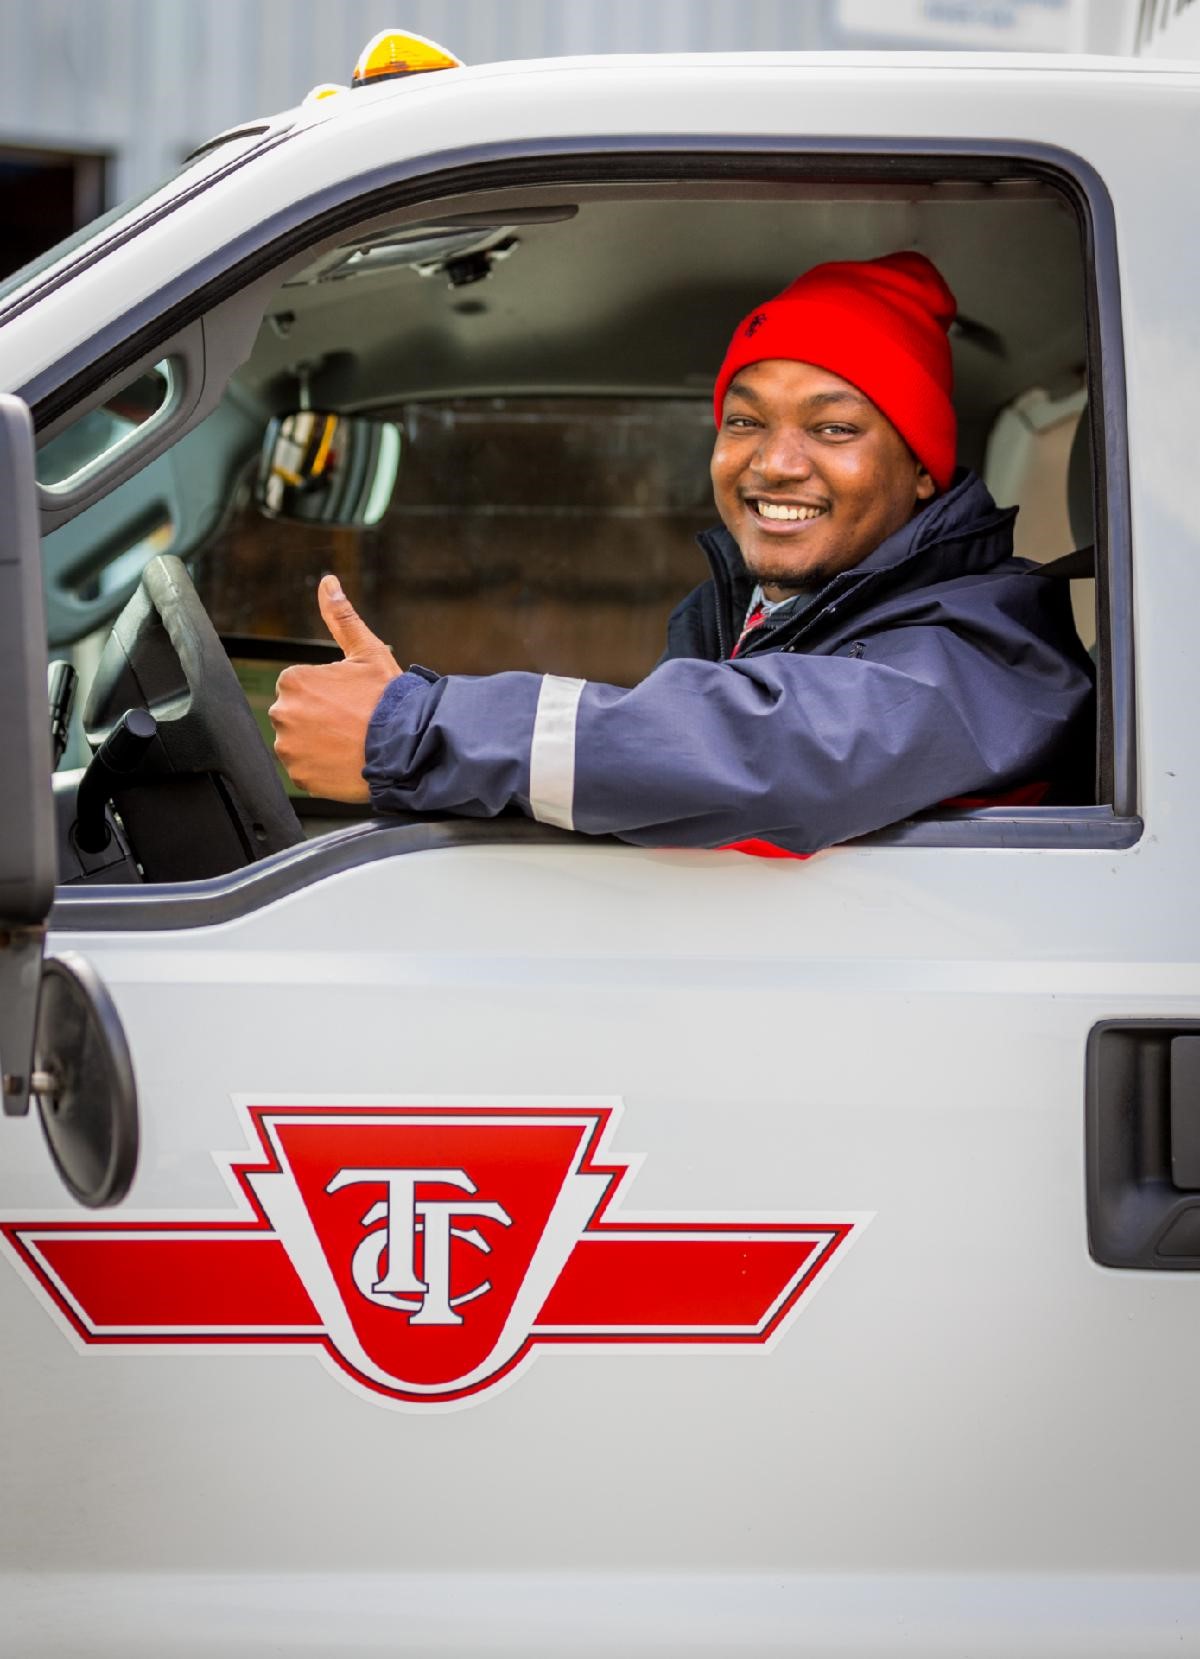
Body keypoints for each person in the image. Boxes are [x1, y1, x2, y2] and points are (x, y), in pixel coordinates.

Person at [269, 252, 1094, 856]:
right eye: (745, 420)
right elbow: (656, 775)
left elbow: (761, 748)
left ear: (920, 468)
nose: (774, 462)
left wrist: (411, 731)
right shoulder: (755, 617)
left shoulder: (993, 645)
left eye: (833, 427)